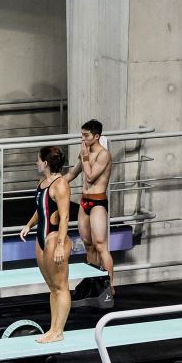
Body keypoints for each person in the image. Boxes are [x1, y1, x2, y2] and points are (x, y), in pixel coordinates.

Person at [19, 145, 71, 343]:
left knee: (61, 286)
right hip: (41, 236)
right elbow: (41, 209)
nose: (36, 162)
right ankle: (52, 329)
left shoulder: (61, 185)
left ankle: (59, 331)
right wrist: (29, 225)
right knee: (52, 287)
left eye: (38, 159)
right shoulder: (43, 182)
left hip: (55, 237)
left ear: (46, 163)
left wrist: (59, 245)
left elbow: (65, 217)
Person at [68, 119, 115, 304]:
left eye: (86, 135)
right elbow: (73, 174)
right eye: (82, 135)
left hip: (97, 202)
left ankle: (110, 285)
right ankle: (93, 281)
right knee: (88, 245)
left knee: (101, 245)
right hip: (84, 202)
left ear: (96, 136)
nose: (83, 139)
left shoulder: (104, 155)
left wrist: (85, 156)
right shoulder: (84, 153)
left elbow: (90, 175)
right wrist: (53, 183)